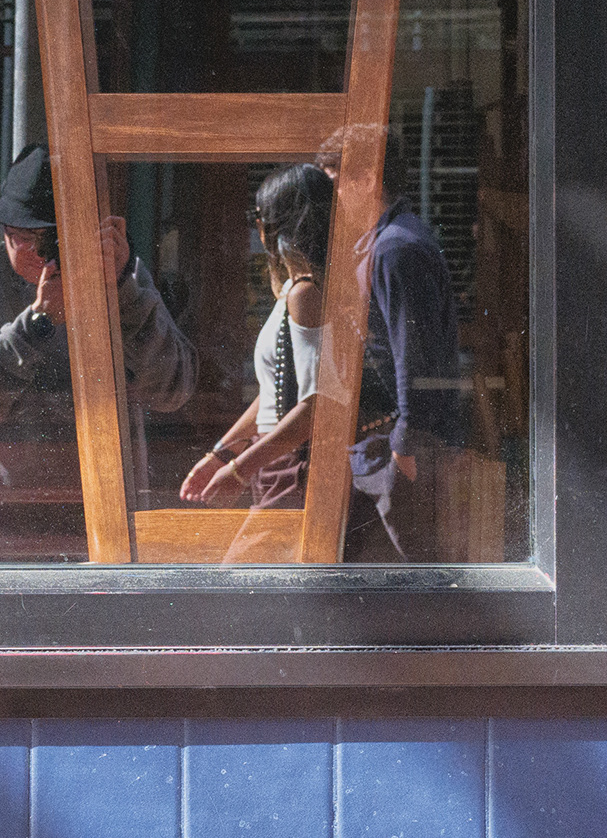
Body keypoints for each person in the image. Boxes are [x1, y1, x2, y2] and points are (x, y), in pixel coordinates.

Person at [177, 151, 465, 561]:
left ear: (275, 225)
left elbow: (318, 403)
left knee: (243, 581)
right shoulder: (296, 290)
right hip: (278, 461)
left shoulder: (307, 294)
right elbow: (274, 392)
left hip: (295, 466)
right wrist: (222, 453)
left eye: (259, 215)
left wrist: (239, 469)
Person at [0, 147, 194, 561]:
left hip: (107, 531)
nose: (44, 255)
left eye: (55, 238)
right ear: (5, 231)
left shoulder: (121, 279)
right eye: (29, 238)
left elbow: (175, 390)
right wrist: (35, 325)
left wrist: (122, 291)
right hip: (3, 538)